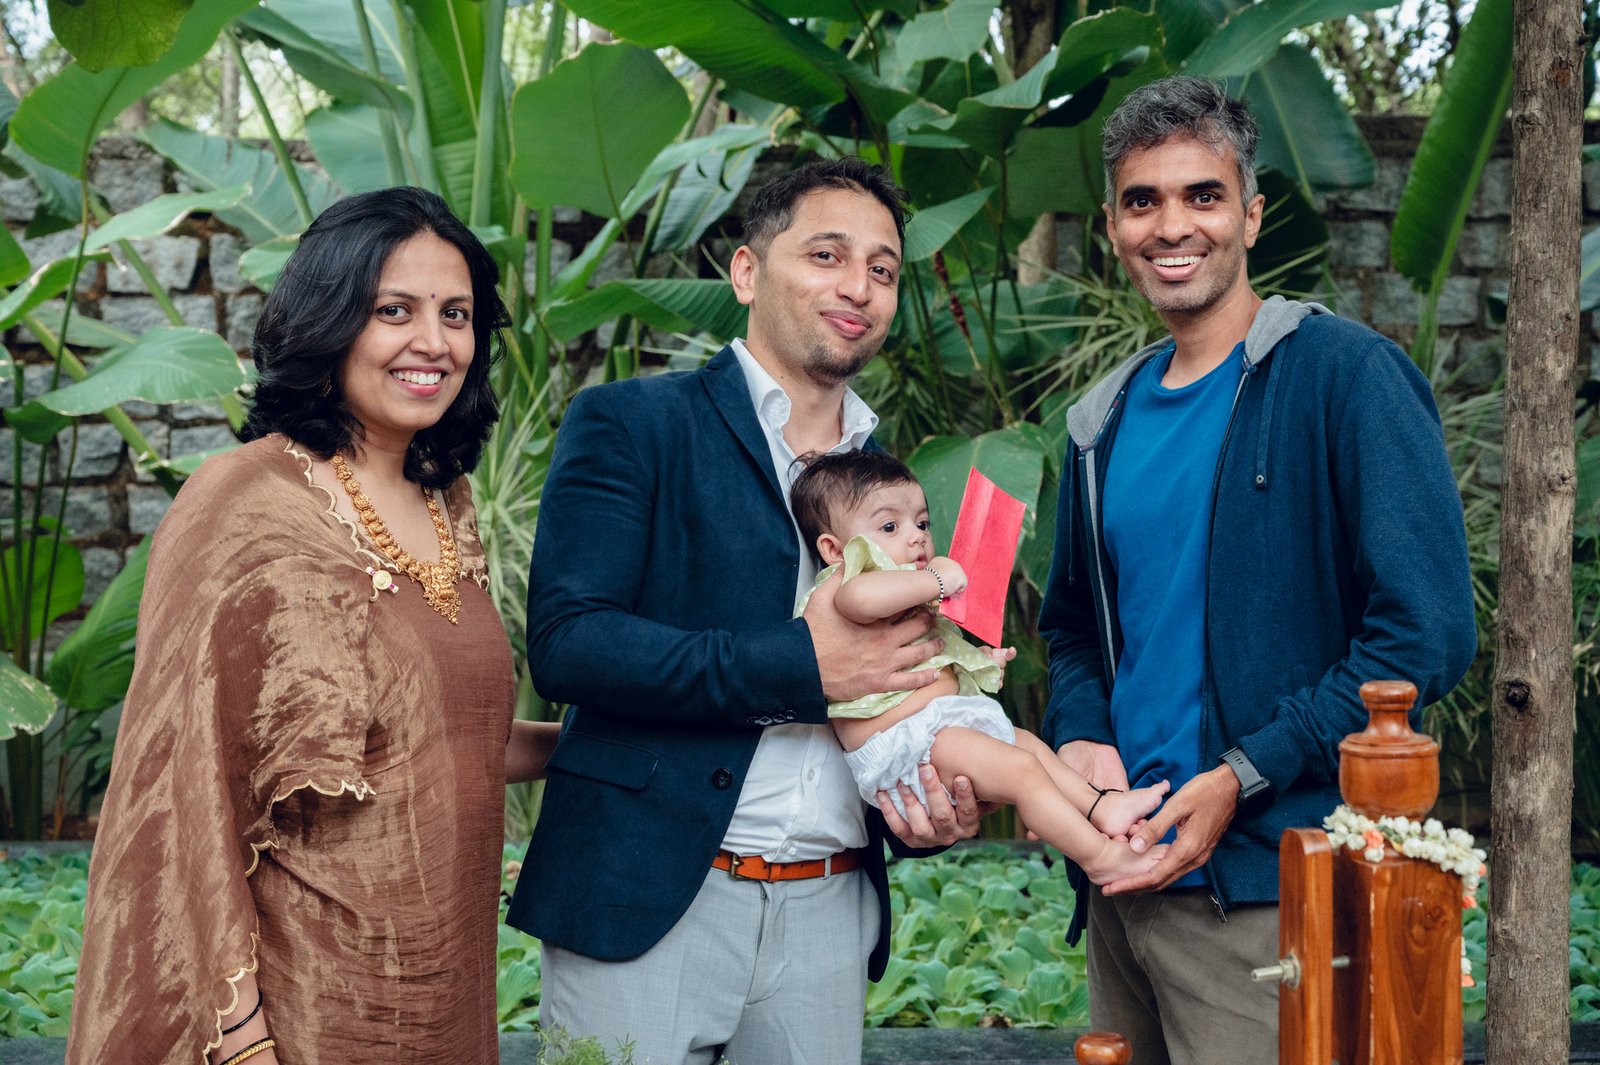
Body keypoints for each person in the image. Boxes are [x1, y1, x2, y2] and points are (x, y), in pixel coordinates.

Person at [1036, 77, 1476, 1065]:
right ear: (1111, 226)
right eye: (1142, 200)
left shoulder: (1344, 377)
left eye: (1203, 194)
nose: (1171, 225)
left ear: (1250, 214)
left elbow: (1426, 632)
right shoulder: (1099, 421)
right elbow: (1072, 629)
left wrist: (1244, 773)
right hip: (1119, 882)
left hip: (1272, 888)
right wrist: (1081, 735)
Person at [66, 187, 559, 1065]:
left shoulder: (449, 502)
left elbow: (436, 738)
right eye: (394, 311)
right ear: (329, 321)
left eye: (455, 314)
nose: (434, 342)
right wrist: (239, 1031)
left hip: (444, 999)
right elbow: (183, 788)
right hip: (304, 1010)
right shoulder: (243, 502)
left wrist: (630, 742)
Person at [506, 158, 983, 1065]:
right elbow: (572, 642)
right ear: (747, 272)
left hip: (831, 909)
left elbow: (893, 689)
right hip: (649, 896)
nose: (859, 286)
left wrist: (923, 806)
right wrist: (803, 667)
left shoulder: (892, 484)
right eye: (827, 255)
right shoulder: (632, 422)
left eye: (882, 268)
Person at [788, 449, 1170, 883]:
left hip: (939, 727)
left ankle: (1102, 805)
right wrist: (935, 579)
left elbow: (933, 650)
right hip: (903, 746)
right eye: (890, 527)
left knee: (1028, 746)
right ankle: (1099, 857)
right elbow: (861, 600)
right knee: (1022, 770)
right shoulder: (850, 584)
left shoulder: (908, 594)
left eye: (922, 524)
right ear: (834, 549)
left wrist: (976, 660)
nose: (916, 538)